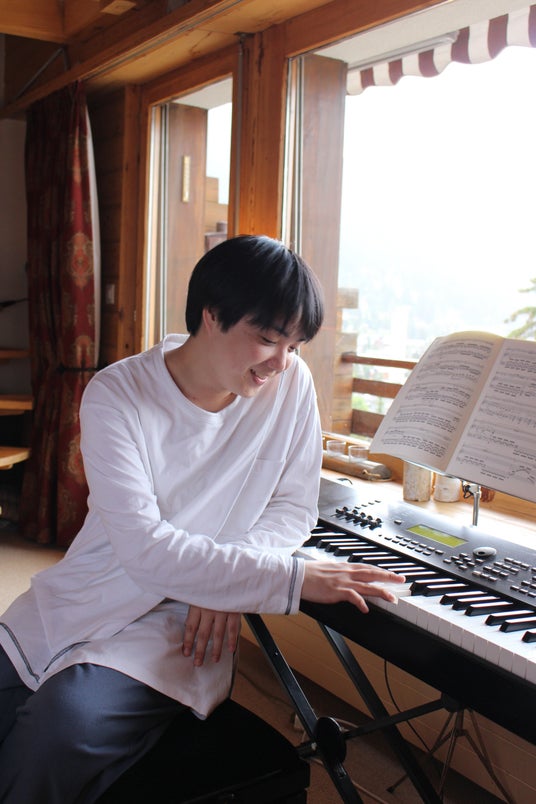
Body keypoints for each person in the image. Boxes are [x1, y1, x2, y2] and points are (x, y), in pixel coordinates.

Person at [0, 235, 404, 803]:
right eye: (268, 339)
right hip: (90, 589)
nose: (281, 362)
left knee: (57, 734)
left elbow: (292, 506)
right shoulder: (117, 393)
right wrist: (284, 578)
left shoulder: (291, 386)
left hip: (178, 625)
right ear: (211, 315)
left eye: (294, 345)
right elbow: (145, 549)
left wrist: (227, 584)